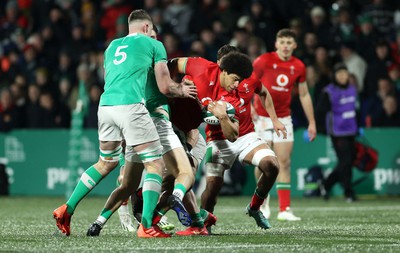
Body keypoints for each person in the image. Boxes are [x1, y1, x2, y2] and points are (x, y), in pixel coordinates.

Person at [52, 9, 197, 238]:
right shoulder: (154, 44)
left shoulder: (112, 47)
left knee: (104, 163)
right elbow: (164, 86)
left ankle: (66, 208)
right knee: (155, 165)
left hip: (106, 106)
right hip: (131, 107)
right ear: (148, 28)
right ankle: (147, 225)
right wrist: (182, 89)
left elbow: (113, 77)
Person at [199, 45, 285, 231]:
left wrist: (275, 120)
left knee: (272, 165)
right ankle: (204, 224)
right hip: (217, 139)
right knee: (212, 186)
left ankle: (255, 207)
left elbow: (264, 93)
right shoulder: (207, 82)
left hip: (246, 136)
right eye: (221, 63)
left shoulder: (248, 78)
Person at [252, 28, 317, 221]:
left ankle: (284, 209)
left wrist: (312, 122)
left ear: (295, 46)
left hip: (283, 119)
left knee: (284, 163)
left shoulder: (299, 66)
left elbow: (304, 94)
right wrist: (249, 107)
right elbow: (248, 84)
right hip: (262, 118)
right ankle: (263, 202)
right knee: (263, 162)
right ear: (276, 44)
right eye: (283, 42)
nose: (286, 46)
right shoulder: (263, 61)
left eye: (289, 43)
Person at [316, 63, 358, 202]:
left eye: (344, 73)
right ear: (334, 76)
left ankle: (325, 185)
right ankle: (348, 192)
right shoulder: (328, 92)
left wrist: (359, 126)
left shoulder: (353, 89)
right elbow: (320, 111)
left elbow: (355, 109)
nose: (342, 76)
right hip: (338, 132)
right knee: (345, 162)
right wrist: (319, 128)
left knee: (347, 162)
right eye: (339, 74)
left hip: (351, 131)